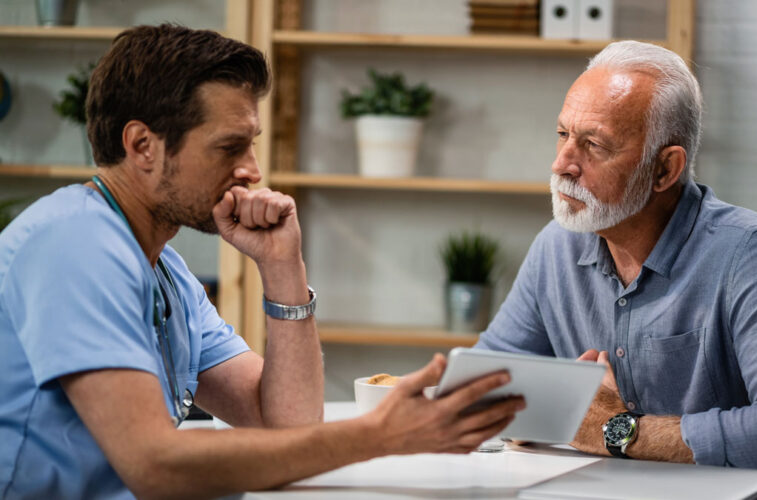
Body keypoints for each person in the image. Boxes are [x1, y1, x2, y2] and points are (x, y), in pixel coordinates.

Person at [0, 24, 524, 499]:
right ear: (142, 145)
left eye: (250, 145)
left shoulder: (165, 273)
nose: (251, 171)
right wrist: (379, 436)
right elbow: (153, 465)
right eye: (229, 148)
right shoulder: (74, 244)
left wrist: (283, 268)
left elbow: (288, 428)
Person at [475, 40, 757, 478]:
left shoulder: (746, 252)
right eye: (564, 135)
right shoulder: (557, 245)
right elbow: (479, 388)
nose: (562, 164)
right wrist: (539, 411)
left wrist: (617, 430)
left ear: (665, 169)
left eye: (594, 145)